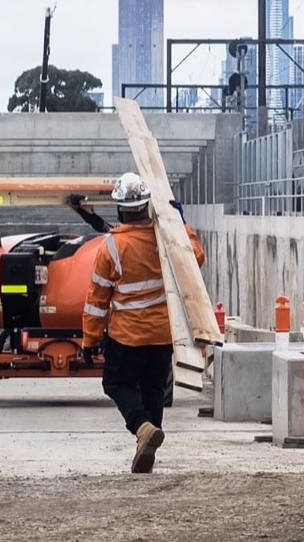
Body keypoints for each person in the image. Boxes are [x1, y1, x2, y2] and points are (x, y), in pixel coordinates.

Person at [81, 172, 205, 473]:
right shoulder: (165, 237)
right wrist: (182, 223)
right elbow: (196, 258)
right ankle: (146, 445)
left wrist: (90, 339)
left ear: (121, 209)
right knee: (153, 391)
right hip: (163, 333)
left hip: (128, 335)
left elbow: (97, 299)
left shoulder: (111, 247)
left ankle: (142, 429)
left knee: (116, 383)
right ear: (147, 206)